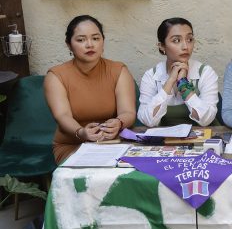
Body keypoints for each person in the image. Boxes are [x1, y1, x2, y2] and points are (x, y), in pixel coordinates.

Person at [44, 15, 137, 164]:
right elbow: (62, 116)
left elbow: (128, 112)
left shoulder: (119, 70)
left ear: (103, 41)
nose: (90, 45)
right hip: (74, 145)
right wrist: (82, 133)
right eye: (81, 40)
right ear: (69, 45)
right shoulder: (56, 76)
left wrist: (119, 123)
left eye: (95, 38)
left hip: (114, 143)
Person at [138, 18, 219, 127]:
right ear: (162, 46)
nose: (185, 47)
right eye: (176, 40)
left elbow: (206, 119)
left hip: (203, 139)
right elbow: (147, 120)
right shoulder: (151, 76)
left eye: (189, 39)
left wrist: (183, 84)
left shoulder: (205, 72)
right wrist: (170, 81)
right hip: (165, 140)